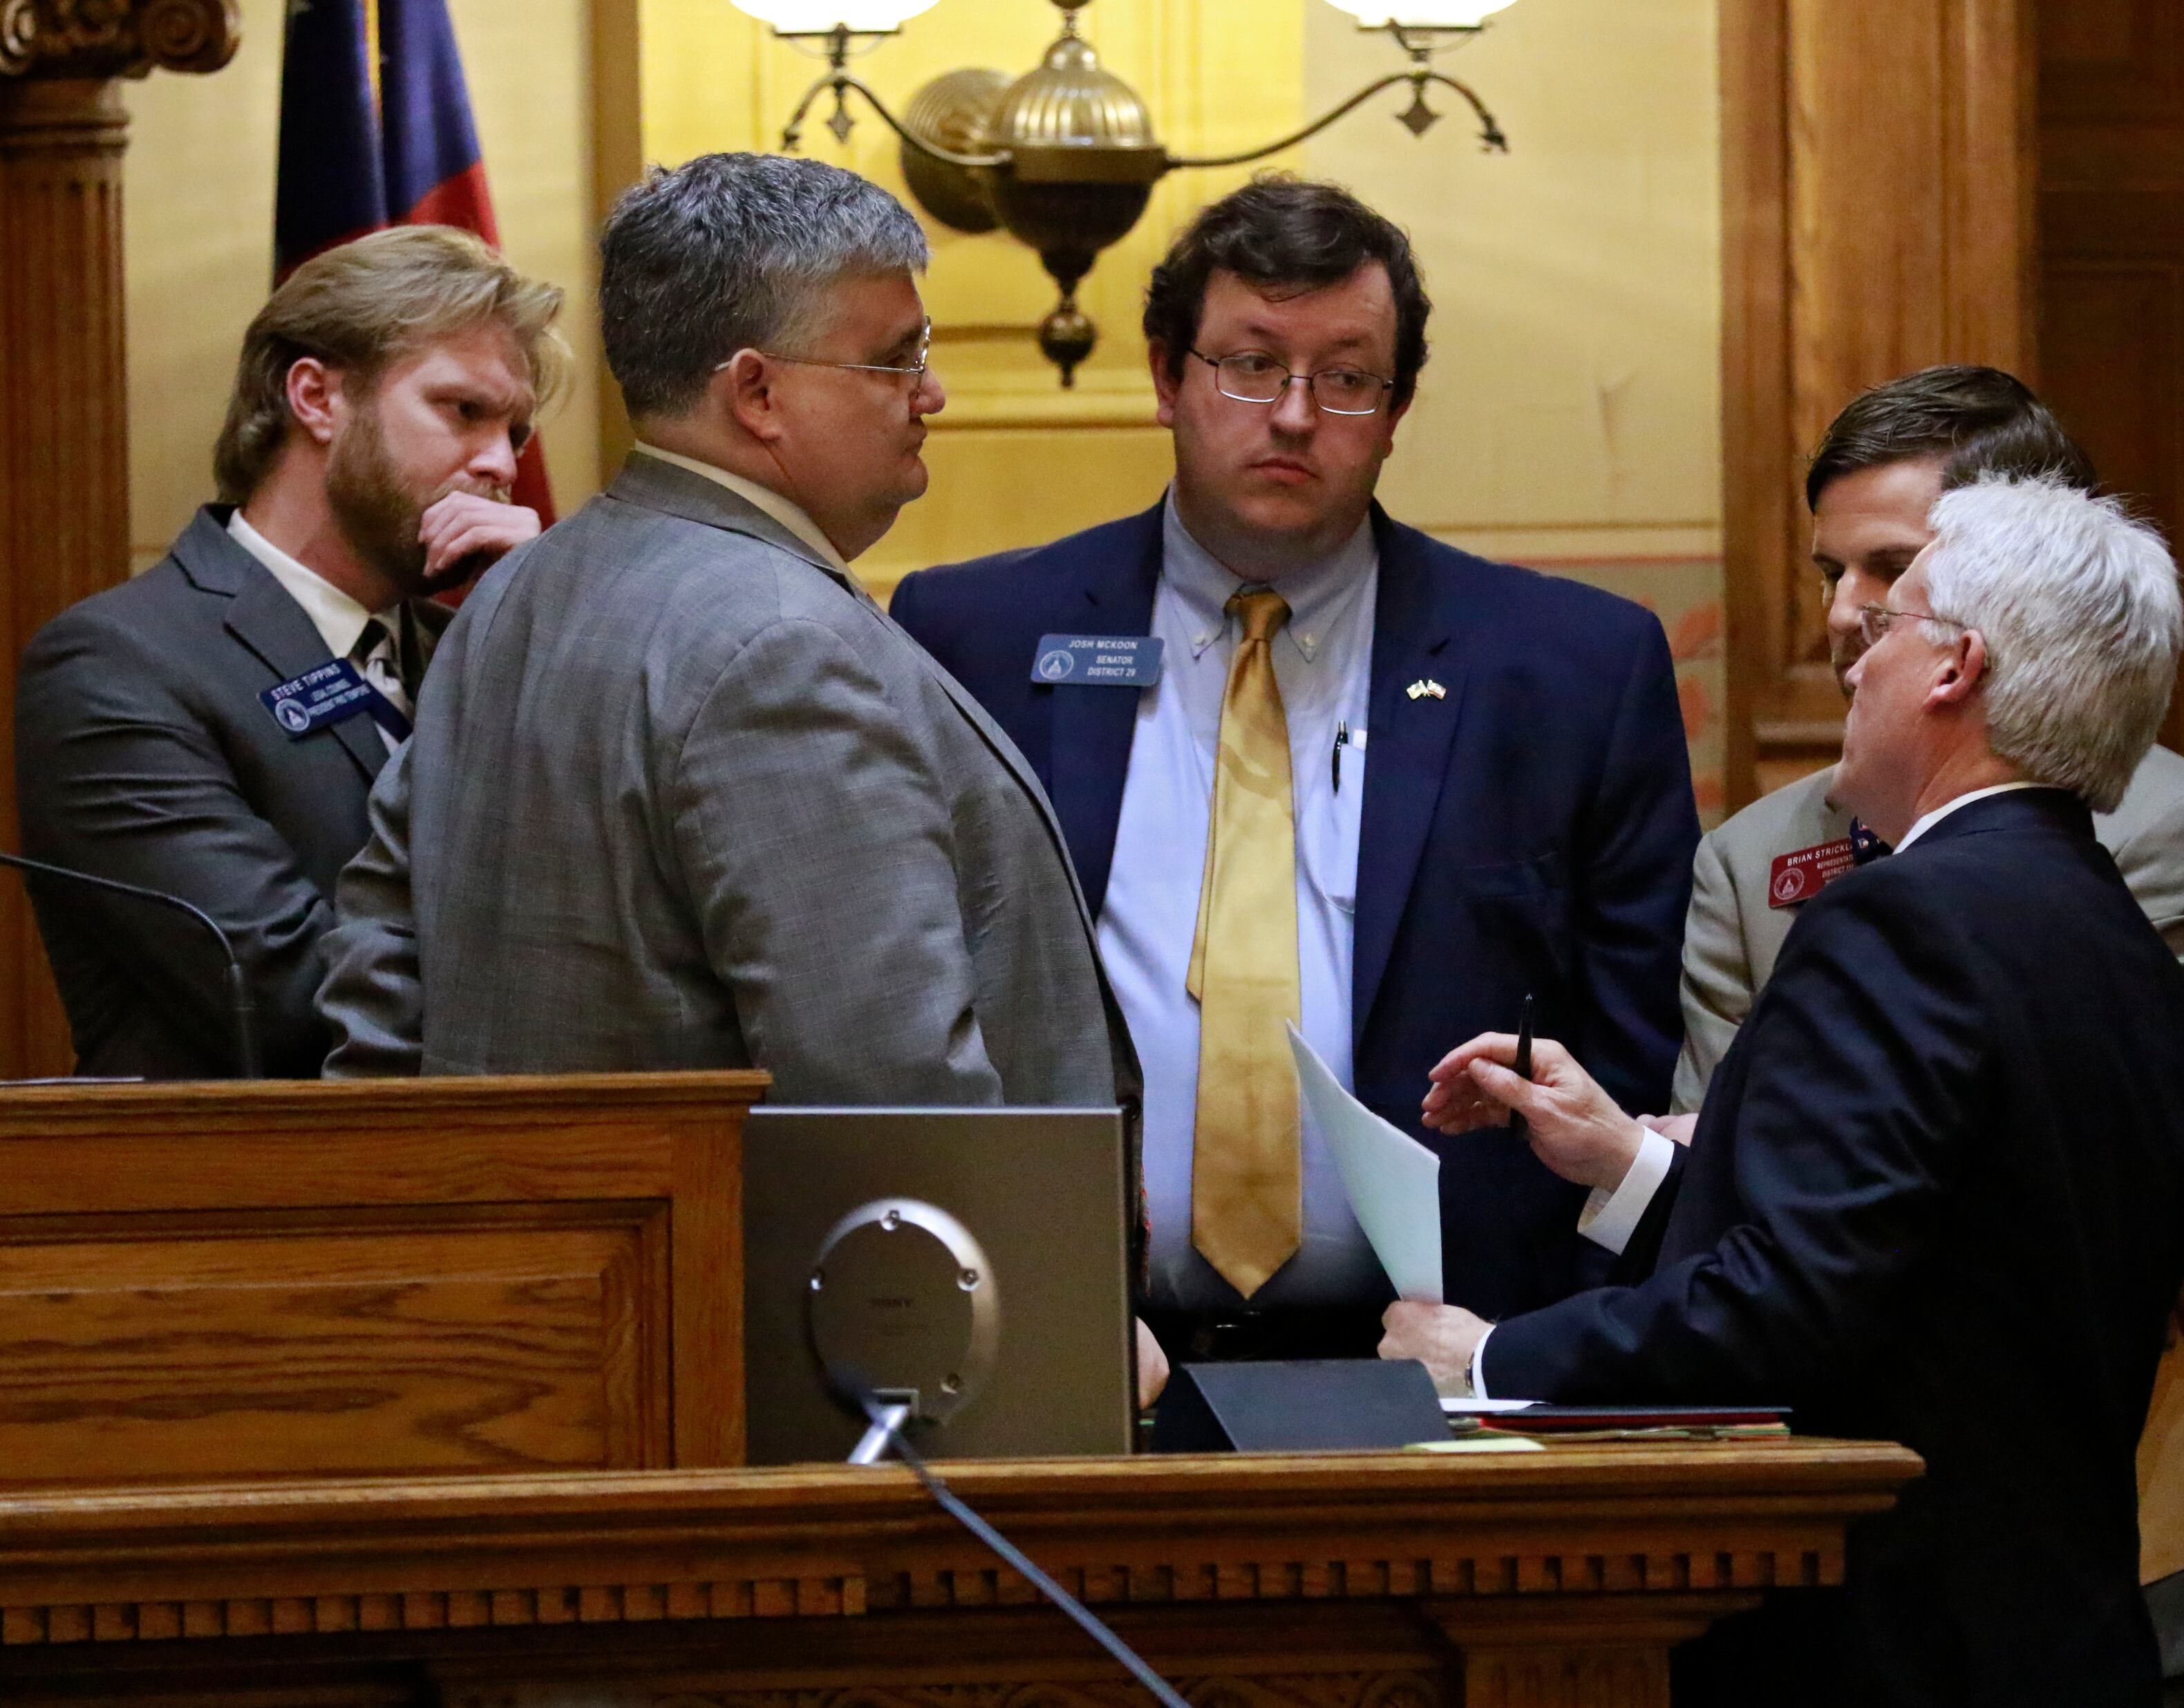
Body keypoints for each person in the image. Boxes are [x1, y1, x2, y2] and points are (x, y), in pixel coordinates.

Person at [1384, 476, 2184, 1705]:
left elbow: (1790, 1306)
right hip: (2059, 1634)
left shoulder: (1903, 918)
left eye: (1888, 628)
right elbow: (1920, 1265)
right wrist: (1629, 1168)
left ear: (1953, 671)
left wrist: (1492, 1359)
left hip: (1886, 1647)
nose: (1853, 659)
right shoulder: (2112, 933)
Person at [889, 178, 1698, 1354]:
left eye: (1347, 376)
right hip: (1076, 1336)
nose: (1294, 415)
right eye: (1251, 364)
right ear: (1167, 376)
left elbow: (1619, 1055)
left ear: (1398, 403)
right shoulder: (978, 636)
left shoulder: (1571, 668)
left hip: (1444, 1355)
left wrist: (1536, 1347)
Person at [314, 152, 1133, 1120]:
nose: (933, 392)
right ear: (757, 394)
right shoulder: (780, 647)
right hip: (757, 1266)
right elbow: (888, 1098)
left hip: (544, 1248)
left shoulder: (517, 588)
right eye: (899, 356)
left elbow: (379, 961)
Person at [1679, 366, 2184, 1185]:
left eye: (1893, 567)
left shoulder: (2179, 833)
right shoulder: (1751, 859)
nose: (1843, 614)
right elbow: (1709, 1174)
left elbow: (2064, 1173)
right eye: (1830, 572)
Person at [17, 227, 562, 1077]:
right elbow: (291, 1004)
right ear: (316, 397)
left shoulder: (490, 648)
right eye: (463, 411)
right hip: (255, 1191)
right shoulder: (120, 664)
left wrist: (548, 619)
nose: (501, 465)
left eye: (517, 434)